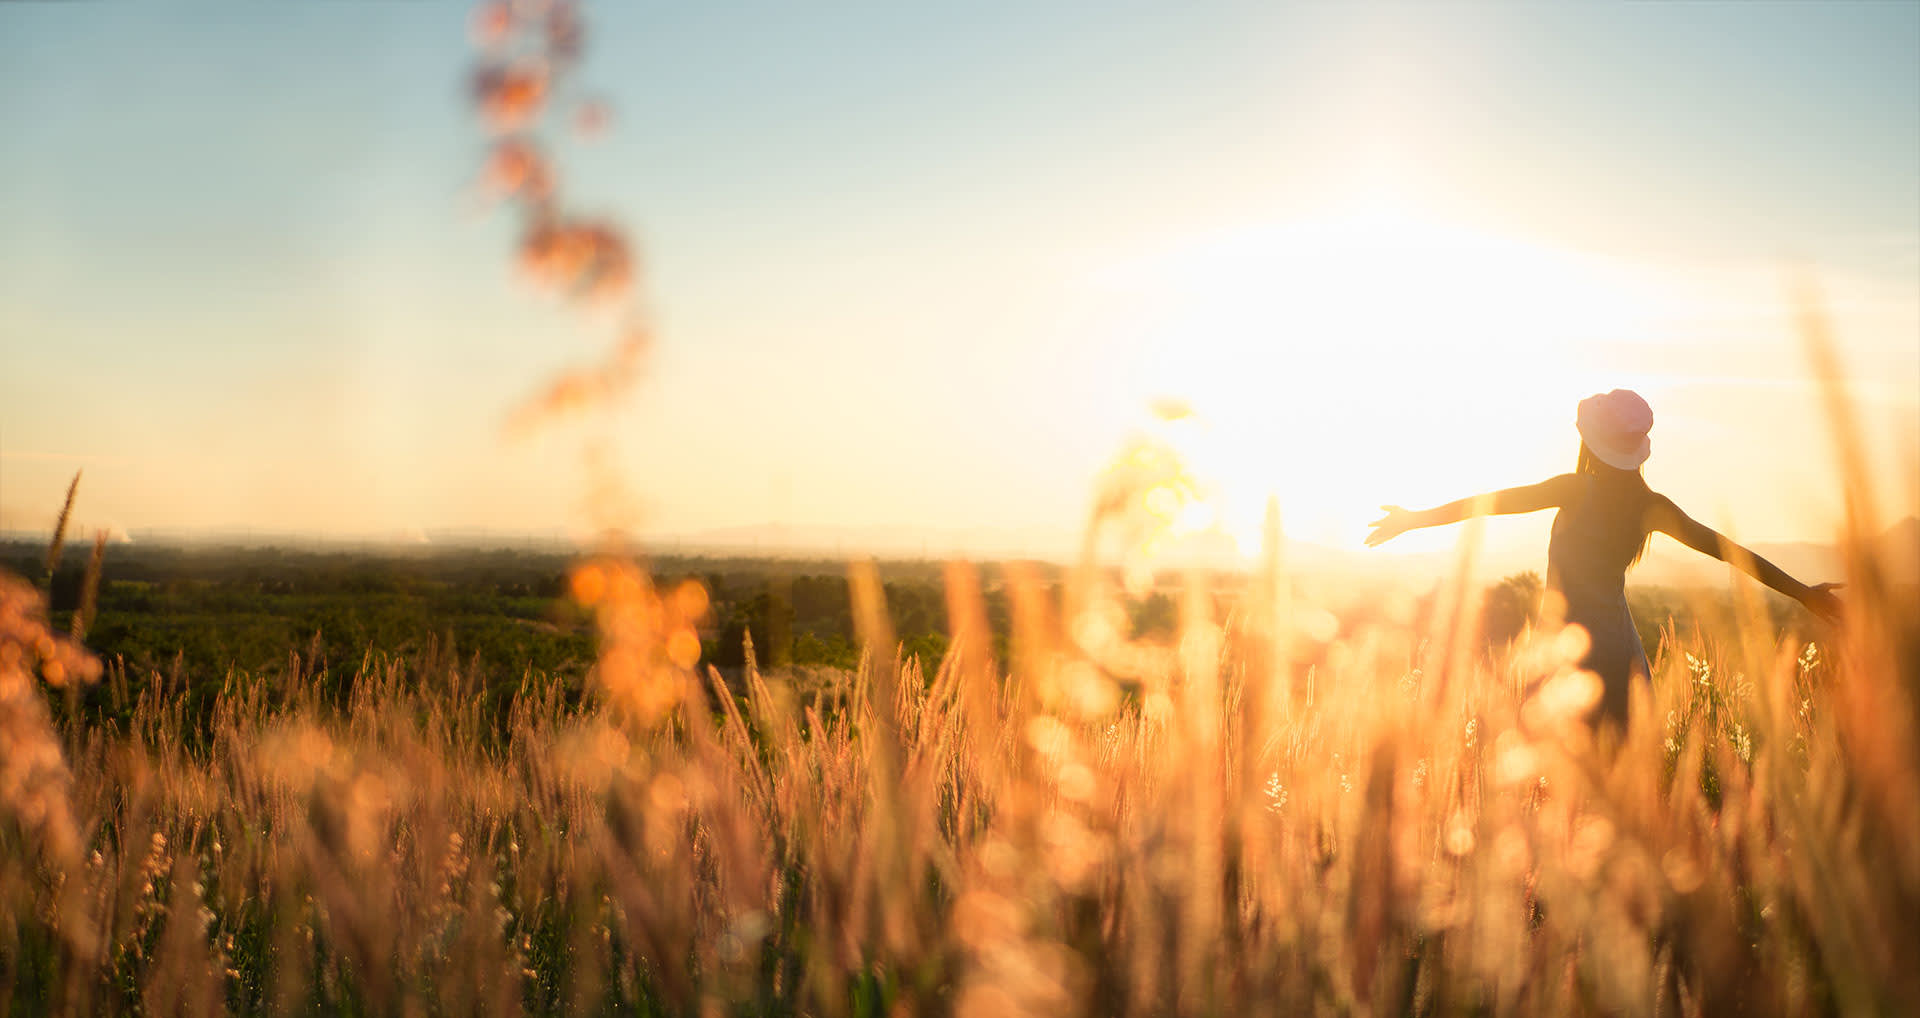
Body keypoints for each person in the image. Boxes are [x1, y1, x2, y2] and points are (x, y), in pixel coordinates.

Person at [1365, 389, 1842, 729]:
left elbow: (1488, 502)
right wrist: (1803, 594)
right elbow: (1731, 554)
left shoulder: (1575, 490)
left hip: (1568, 649)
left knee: (1563, 787)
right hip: (1620, 651)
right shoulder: (1652, 506)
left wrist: (1414, 519)